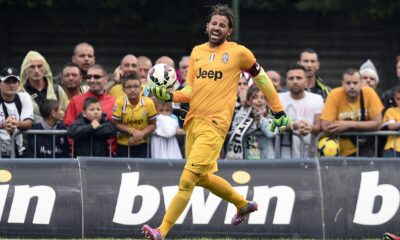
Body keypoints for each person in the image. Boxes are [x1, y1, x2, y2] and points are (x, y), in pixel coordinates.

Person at [142, 4, 289, 240]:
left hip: (215, 125)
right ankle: (243, 204)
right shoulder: (197, 52)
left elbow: (261, 79)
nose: (217, 27)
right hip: (193, 123)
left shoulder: (240, 53)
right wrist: (168, 95)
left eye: (223, 25)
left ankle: (162, 231)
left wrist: (278, 109)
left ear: (229, 31)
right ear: (207, 26)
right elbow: (189, 91)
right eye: (214, 23)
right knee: (202, 178)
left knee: (187, 179)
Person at [320, 68, 383, 156]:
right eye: (348, 83)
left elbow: (378, 123)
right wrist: (364, 125)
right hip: (339, 152)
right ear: (342, 83)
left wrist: (347, 125)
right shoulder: (334, 94)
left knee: (370, 169)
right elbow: (325, 125)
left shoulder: (369, 93)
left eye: (355, 83)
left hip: (365, 149)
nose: (352, 86)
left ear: (361, 83)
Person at [279, 64, 323, 158]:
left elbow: (318, 126)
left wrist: (309, 128)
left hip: (310, 154)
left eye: (299, 78)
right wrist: (294, 126)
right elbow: (274, 125)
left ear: (306, 81)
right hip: (284, 156)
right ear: (286, 81)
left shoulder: (317, 99)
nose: (295, 81)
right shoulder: (278, 99)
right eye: (291, 78)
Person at [112, 72, 156, 158]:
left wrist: (141, 134)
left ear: (141, 88)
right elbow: (116, 123)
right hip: (123, 144)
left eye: (136, 86)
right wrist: (132, 131)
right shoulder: (119, 102)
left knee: (143, 170)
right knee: (123, 171)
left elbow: (153, 124)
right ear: (123, 89)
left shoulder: (149, 103)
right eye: (129, 87)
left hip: (143, 144)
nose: (132, 90)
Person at [227, 85, 276, 160]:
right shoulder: (241, 113)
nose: (259, 100)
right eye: (255, 97)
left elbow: (271, 133)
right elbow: (235, 131)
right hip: (245, 159)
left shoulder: (271, 114)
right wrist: (254, 123)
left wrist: (260, 119)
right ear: (249, 101)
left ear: (266, 101)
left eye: (262, 98)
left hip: (267, 159)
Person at [19, 51, 69, 123]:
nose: (36, 71)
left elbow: (68, 113)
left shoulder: (57, 89)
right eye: (32, 67)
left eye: (40, 66)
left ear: (45, 68)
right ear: (25, 70)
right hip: (32, 134)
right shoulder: (21, 92)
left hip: (57, 133)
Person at [0, 67, 33, 157]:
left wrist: (15, 124)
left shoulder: (24, 97)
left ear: (18, 84)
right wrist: (3, 125)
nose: (11, 85)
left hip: (19, 152)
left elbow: (28, 122)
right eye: (7, 82)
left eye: (14, 82)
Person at [382, 85, 400, 157]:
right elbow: (391, 126)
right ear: (394, 99)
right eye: (398, 99)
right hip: (392, 149)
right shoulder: (390, 111)